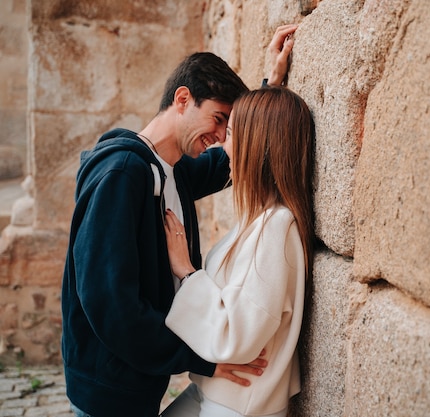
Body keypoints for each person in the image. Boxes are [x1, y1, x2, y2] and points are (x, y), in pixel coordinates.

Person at [61, 24, 298, 417]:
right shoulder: (122, 173)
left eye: (228, 127)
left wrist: (269, 86)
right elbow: (109, 304)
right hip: (108, 390)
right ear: (183, 99)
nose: (222, 136)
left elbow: (239, 157)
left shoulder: (174, 170)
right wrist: (202, 359)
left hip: (138, 380)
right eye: (218, 119)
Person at [160, 86, 315, 417]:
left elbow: (238, 335)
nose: (222, 143)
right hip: (216, 397)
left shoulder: (276, 227)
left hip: (238, 405)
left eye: (230, 133)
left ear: (256, 143)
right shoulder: (260, 218)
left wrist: (186, 272)